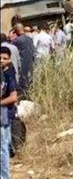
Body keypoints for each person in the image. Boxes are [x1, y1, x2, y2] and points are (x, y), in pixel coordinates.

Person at [1, 47, 19, 179]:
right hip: (4, 114)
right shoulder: (4, 71)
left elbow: (13, 97)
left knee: (3, 149)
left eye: (4, 58)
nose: (1, 61)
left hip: (5, 114)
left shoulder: (9, 74)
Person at [12, 23, 34, 97]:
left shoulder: (17, 41)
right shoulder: (30, 39)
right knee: (29, 80)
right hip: (30, 62)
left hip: (22, 64)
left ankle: (24, 97)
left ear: (16, 31)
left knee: (22, 82)